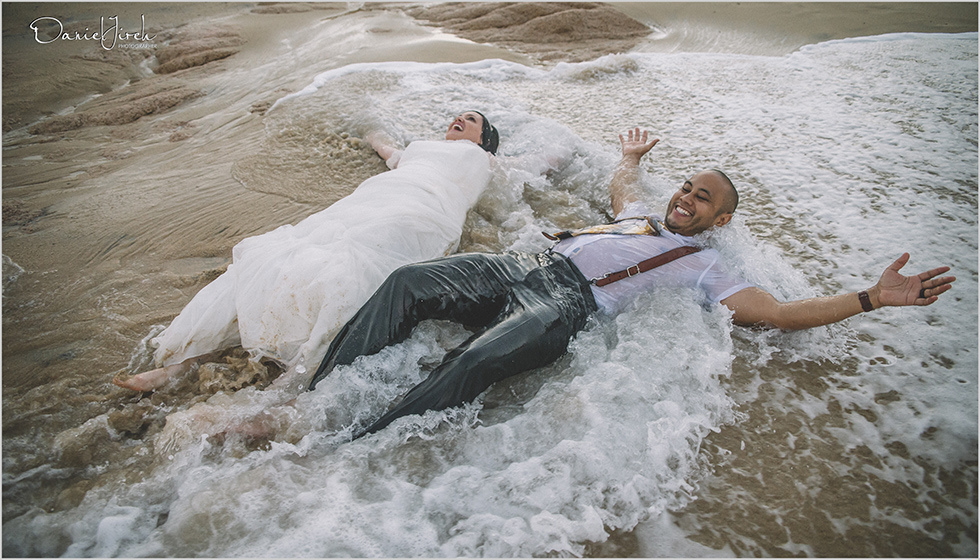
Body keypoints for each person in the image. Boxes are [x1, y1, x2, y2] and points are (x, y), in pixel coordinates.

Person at [308, 128, 956, 439]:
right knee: (407, 281)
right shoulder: (640, 215)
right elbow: (623, 189)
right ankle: (312, 401)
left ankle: (347, 437)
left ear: (719, 219)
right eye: (685, 187)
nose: (686, 199)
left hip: (563, 308)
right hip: (526, 266)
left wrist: (873, 297)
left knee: (473, 358)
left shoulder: (705, 265)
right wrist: (631, 159)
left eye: (702, 199)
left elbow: (781, 313)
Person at [114, 111, 502, 392]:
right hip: (374, 198)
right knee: (283, 258)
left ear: (483, 139)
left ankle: (286, 391)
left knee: (356, 273)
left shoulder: (484, 161)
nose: (459, 119)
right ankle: (182, 365)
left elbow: (535, 165)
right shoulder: (418, 151)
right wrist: (364, 124)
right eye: (457, 115)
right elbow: (386, 150)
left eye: (470, 119)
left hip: (422, 210)